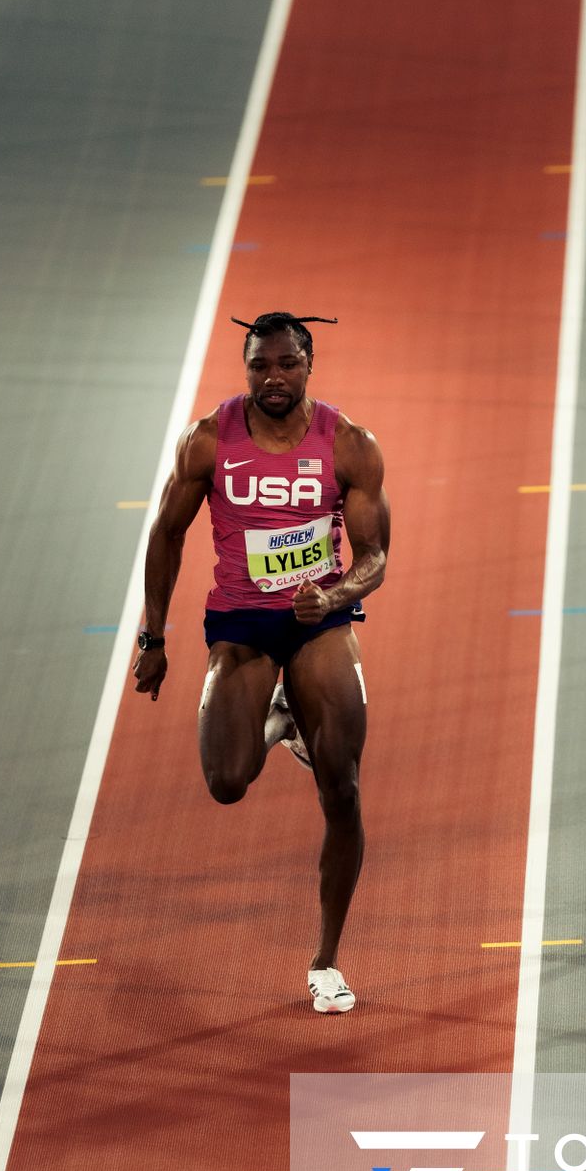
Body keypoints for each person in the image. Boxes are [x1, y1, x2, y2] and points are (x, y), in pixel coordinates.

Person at [133, 312, 389, 1009]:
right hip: (242, 626)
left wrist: (333, 594)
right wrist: (153, 638)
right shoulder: (209, 441)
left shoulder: (350, 446)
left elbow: (374, 558)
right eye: (260, 366)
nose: (273, 379)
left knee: (342, 789)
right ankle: (281, 715)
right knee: (225, 781)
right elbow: (165, 536)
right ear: (244, 367)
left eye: (287, 365)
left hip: (319, 623)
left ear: (310, 366)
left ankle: (327, 962)